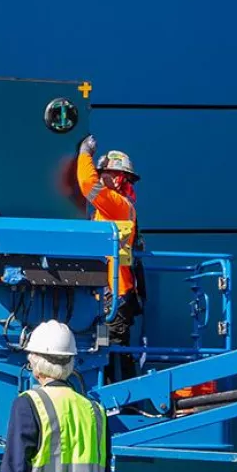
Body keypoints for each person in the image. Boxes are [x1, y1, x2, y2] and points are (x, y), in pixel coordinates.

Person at [0, 321, 107, 472]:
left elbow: (14, 471)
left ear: (35, 365)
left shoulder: (28, 403)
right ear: (70, 363)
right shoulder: (95, 410)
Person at [76, 135, 142, 381]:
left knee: (112, 352)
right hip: (109, 293)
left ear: (116, 178)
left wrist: (85, 155)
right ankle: (122, 402)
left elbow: (86, 184)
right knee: (111, 351)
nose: (100, 178)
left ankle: (124, 405)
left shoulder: (116, 204)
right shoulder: (110, 209)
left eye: (104, 174)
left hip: (114, 295)